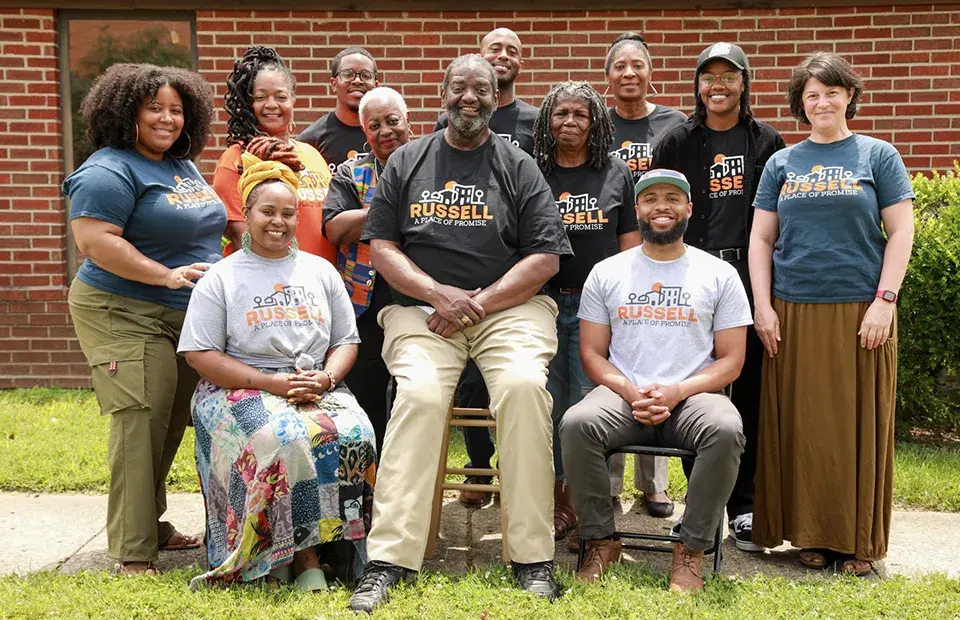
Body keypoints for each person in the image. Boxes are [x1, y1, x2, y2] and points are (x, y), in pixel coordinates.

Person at [347, 54, 572, 613]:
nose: (470, 97)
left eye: (483, 89)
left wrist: (476, 302)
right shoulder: (407, 159)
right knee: (420, 395)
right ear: (442, 94)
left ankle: (533, 556)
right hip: (422, 311)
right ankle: (388, 560)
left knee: (522, 388)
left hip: (509, 309)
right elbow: (383, 248)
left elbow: (545, 257)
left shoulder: (518, 165)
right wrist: (434, 293)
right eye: (459, 87)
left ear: (497, 98)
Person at [178, 144, 376, 591]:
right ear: (246, 213)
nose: (279, 222)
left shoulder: (321, 271)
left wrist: (325, 379)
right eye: (267, 211)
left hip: (313, 382)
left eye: (288, 213)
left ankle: (339, 553)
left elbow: (346, 341)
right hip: (236, 385)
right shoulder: (222, 277)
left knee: (354, 434)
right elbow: (200, 356)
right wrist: (272, 383)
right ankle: (291, 557)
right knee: (279, 437)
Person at [749, 52, 915, 576]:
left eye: (831, 91)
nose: (822, 102)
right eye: (811, 94)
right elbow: (760, 238)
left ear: (849, 96)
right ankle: (810, 534)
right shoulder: (782, 162)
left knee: (856, 426)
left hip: (860, 313)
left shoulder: (878, 155)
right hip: (792, 311)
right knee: (801, 428)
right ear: (801, 104)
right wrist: (763, 308)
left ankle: (858, 538)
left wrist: (884, 302)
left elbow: (901, 232)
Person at [64, 63, 225, 575]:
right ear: (125, 110)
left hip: (181, 314)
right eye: (154, 107)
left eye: (177, 109)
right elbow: (96, 242)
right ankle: (134, 552)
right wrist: (167, 276)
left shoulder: (180, 165)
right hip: (122, 309)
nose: (167, 118)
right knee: (139, 421)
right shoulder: (109, 169)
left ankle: (149, 523)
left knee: (170, 420)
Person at [561, 169, 750, 592]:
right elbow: (591, 352)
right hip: (623, 393)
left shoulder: (718, 274)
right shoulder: (608, 272)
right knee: (577, 423)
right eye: (650, 199)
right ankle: (601, 541)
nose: (661, 206)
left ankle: (691, 549)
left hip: (694, 394)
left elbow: (733, 359)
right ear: (637, 210)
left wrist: (679, 390)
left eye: (671, 198)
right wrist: (629, 390)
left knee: (725, 429)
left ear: (689, 208)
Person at [652, 42, 786, 552]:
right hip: (691, 279)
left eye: (730, 76)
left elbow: (779, 221)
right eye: (709, 77)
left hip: (749, 277)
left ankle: (745, 506)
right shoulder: (675, 142)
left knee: (747, 391)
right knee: (694, 386)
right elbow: (659, 212)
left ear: (744, 84)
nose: (719, 85)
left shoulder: (768, 143)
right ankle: (700, 509)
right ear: (698, 86)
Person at [531, 81, 641, 550]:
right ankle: (554, 503)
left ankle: (583, 509)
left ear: (595, 121)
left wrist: (625, 311)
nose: (570, 122)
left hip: (599, 309)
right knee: (550, 404)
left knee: (589, 404)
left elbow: (630, 247)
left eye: (580, 114)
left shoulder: (616, 173)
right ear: (547, 122)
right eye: (561, 114)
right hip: (542, 303)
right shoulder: (532, 172)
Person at [434, 27, 540, 507]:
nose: (502, 56)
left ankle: (524, 490)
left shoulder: (534, 126)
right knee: (469, 387)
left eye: (512, 50)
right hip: (449, 289)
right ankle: (478, 470)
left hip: (512, 280)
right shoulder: (437, 142)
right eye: (494, 48)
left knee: (517, 384)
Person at [603, 32, 687, 514]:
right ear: (608, 76)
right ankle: (610, 484)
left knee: (658, 358)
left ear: (650, 72)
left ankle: (654, 485)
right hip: (612, 265)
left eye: (638, 65)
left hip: (661, 257)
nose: (629, 74)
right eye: (620, 66)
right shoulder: (599, 125)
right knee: (617, 366)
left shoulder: (672, 124)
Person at [323, 87, 413, 457]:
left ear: (408, 122)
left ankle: (406, 476)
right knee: (367, 395)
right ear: (364, 131)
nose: (385, 131)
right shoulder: (351, 171)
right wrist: (392, 208)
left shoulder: (432, 165)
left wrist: (371, 216)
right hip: (362, 300)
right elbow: (335, 228)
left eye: (393, 121)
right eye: (374, 125)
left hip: (416, 297)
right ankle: (368, 484)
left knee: (410, 395)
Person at [215, 46, 335, 262]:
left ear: (292, 101)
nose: (271, 105)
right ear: (248, 104)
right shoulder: (237, 158)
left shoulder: (312, 154)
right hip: (269, 285)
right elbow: (240, 235)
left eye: (281, 96)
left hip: (320, 282)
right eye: (260, 97)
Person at [298, 47, 379, 172]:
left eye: (366, 75)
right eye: (348, 74)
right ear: (334, 84)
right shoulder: (310, 142)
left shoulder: (387, 136)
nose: (357, 80)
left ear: (376, 85)